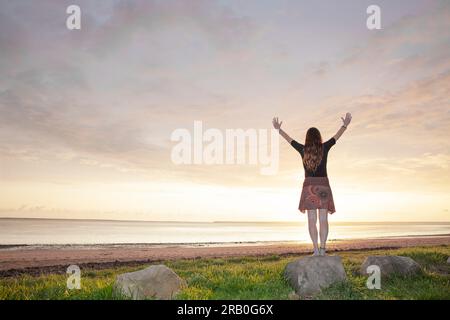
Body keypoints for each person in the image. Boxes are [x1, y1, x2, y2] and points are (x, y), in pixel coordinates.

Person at [272, 113, 352, 256]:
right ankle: (323, 249)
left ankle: (315, 249)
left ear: (307, 138)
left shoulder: (303, 149)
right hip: (323, 185)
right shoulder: (324, 147)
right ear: (319, 137)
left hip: (309, 187)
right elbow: (336, 137)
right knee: (323, 220)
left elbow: (290, 140)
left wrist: (279, 130)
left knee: (311, 220)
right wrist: (345, 125)